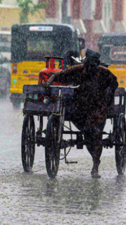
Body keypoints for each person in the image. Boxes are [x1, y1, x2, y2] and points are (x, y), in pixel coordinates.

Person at [42, 49, 118, 178]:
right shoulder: (78, 69)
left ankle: (95, 165)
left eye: (93, 67)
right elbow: (58, 75)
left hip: (98, 110)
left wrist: (108, 97)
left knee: (95, 135)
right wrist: (48, 83)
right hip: (81, 108)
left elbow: (114, 83)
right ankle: (93, 155)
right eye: (88, 66)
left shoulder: (104, 72)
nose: (91, 69)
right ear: (86, 64)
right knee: (87, 134)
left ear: (97, 65)